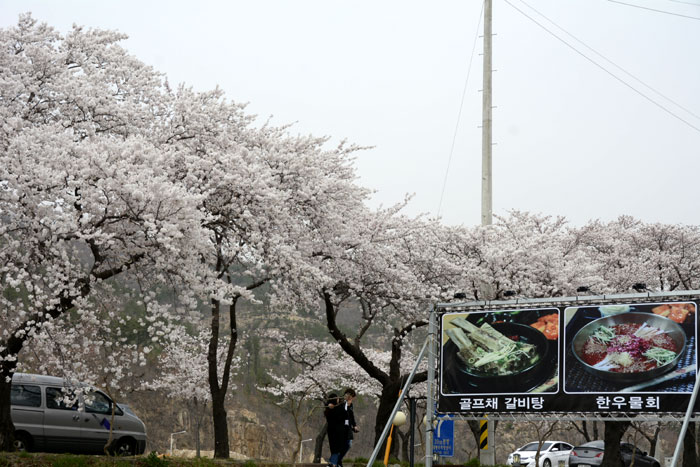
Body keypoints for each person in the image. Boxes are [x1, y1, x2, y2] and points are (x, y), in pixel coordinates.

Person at [337, 388, 359, 467]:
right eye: (352, 397)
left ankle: (338, 459)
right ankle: (337, 461)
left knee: (348, 444)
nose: (352, 399)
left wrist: (354, 425)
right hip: (340, 427)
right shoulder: (340, 403)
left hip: (348, 427)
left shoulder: (351, 405)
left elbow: (351, 416)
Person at [324, 392, 345, 467]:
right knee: (337, 449)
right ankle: (332, 463)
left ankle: (335, 463)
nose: (338, 399)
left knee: (334, 449)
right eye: (337, 398)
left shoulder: (328, 409)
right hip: (337, 432)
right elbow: (344, 414)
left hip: (331, 431)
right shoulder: (337, 409)